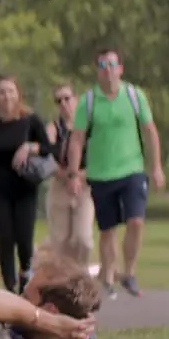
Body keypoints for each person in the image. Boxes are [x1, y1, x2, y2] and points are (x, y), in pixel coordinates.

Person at [66, 49, 165, 299]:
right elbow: (77, 139)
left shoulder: (134, 96)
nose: (107, 69)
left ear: (120, 68)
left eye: (112, 64)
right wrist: (74, 173)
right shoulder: (88, 101)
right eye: (102, 65)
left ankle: (129, 273)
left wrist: (156, 167)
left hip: (132, 170)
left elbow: (150, 131)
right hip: (100, 174)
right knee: (107, 229)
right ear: (97, 71)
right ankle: (108, 274)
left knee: (136, 221)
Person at [0, 74, 54, 293]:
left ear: (18, 94)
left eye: (10, 91)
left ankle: (26, 277)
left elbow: (48, 148)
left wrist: (29, 147)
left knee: (24, 239)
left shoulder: (30, 120)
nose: (7, 96)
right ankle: (9, 284)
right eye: (2, 92)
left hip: (24, 187)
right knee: (5, 236)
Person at [45, 83, 94, 266]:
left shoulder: (90, 127)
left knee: (83, 240)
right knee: (60, 240)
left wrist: (78, 176)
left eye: (67, 98)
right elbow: (47, 154)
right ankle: (64, 280)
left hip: (85, 186)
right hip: (60, 185)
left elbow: (99, 157)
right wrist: (66, 175)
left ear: (77, 99)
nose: (64, 104)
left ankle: (79, 273)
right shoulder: (54, 128)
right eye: (59, 101)